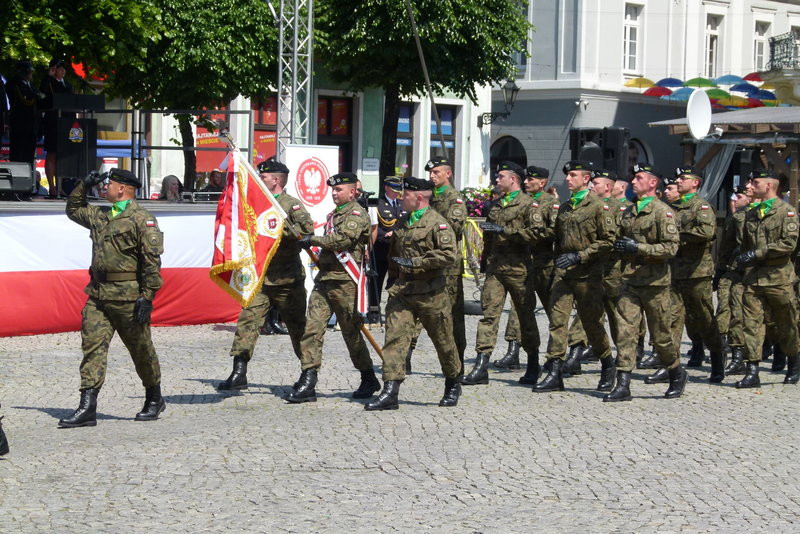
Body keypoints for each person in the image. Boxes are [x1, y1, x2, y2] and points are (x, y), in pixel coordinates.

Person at [59, 168, 166, 427]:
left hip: (128, 297)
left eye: (108, 185)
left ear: (122, 189)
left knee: (140, 349)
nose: (103, 189)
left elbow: (151, 262)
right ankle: (88, 406)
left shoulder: (142, 219)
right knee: (92, 348)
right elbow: (73, 210)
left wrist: (147, 296)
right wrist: (83, 185)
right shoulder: (101, 215)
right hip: (97, 295)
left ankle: (154, 396)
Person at [217, 157, 315, 391]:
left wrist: (281, 231)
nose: (260, 180)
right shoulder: (256, 203)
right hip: (260, 276)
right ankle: (239, 371)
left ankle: (308, 373)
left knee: (298, 327)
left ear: (276, 181)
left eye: (263, 177)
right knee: (247, 322)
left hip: (287, 279)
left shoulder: (291, 205)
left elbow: (307, 232)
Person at [365, 177, 462, 410]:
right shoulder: (402, 222)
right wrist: (392, 281)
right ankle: (390, 390)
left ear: (418, 197)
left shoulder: (437, 223)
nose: (401, 197)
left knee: (444, 342)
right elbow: (393, 256)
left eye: (405, 194)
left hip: (431, 293)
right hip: (404, 291)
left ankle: (453, 382)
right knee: (394, 340)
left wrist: (416, 262)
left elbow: (449, 255)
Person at [287, 172, 380, 403]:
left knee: (351, 334)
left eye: (339, 190)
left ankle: (368, 376)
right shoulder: (333, 215)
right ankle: (309, 378)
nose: (334, 193)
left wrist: (313, 240)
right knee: (312, 329)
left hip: (346, 283)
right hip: (325, 280)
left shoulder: (357, 214)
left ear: (352, 191)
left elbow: (343, 241)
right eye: (333, 190)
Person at [606, 162, 687, 401]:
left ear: (653, 183)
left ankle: (676, 372)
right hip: (629, 281)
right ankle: (623, 384)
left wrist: (638, 247)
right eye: (633, 177)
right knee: (625, 332)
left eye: (639, 178)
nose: (633, 181)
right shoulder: (629, 211)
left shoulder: (663, 212)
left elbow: (671, 247)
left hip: (655, 284)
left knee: (661, 336)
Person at [533, 161, 615, 393]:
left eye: (573, 175)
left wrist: (580, 256)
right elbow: (559, 239)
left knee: (592, 324)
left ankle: (608, 364)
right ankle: (555, 371)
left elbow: (608, 241)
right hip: (564, 273)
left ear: (586, 178)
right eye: (568, 175)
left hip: (588, 275)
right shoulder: (566, 207)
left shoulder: (599, 206)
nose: (568, 179)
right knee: (557, 322)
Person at [462, 161, 542, 385]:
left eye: (501, 177)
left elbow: (536, 234)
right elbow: (488, 236)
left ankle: (533, 363)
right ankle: (481, 366)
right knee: (489, 316)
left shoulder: (528, 205)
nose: (497, 180)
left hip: (519, 268)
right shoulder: (496, 205)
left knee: (525, 317)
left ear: (513, 179)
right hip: (496, 268)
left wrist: (505, 231)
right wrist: (484, 260)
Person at [734, 169, 800, 388]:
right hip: (754, 278)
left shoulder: (786, 212)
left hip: (778, 278)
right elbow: (745, 244)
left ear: (770, 186)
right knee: (751, 324)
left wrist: (758, 253)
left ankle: (793, 363)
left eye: (756, 182)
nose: (752, 185)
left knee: (786, 323)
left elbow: (789, 244)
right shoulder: (752, 214)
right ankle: (752, 370)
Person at [661, 166, 725, 383]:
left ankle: (717, 358)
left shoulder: (702, 207)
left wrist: (677, 235)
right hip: (674, 271)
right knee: (671, 319)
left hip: (697, 272)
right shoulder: (671, 207)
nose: (678, 181)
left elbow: (707, 233)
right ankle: (671, 366)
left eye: (683, 178)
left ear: (695, 183)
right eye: (677, 178)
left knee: (704, 318)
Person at [425, 156, 467, 365]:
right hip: (428, 259)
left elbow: (455, 227)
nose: (432, 177)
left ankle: (457, 355)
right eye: (431, 173)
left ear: (448, 173)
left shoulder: (454, 198)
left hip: (448, 263)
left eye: (437, 172)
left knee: (451, 311)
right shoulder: (429, 197)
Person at [716, 184, 750, 375]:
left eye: (739, 196)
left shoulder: (754, 216)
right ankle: (725, 353)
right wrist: (720, 270)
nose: (734, 200)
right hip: (732, 271)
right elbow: (726, 247)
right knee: (724, 309)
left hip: (752, 274)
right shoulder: (735, 218)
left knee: (741, 314)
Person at [372, 176, 407, 318]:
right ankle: (374, 311)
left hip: (397, 251)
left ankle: (394, 309)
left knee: (396, 281)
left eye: (398, 190)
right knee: (376, 281)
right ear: (386, 188)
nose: (397, 193)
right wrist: (385, 234)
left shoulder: (402, 204)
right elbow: (373, 227)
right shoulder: (377, 204)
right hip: (381, 249)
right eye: (394, 190)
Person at [39, 58, 73, 198]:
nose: (63, 71)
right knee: (52, 154)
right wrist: (49, 76)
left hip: (65, 122)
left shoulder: (68, 85)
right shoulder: (49, 82)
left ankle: (61, 187)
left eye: (64, 68)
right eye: (60, 68)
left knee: (62, 156)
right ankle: (52, 187)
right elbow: (42, 92)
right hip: (53, 122)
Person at [6, 60, 39, 169]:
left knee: (28, 156)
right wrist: (19, 75)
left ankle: (28, 179)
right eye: (28, 72)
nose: (31, 74)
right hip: (19, 125)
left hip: (31, 126)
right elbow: (12, 90)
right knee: (18, 154)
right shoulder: (15, 84)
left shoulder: (31, 86)